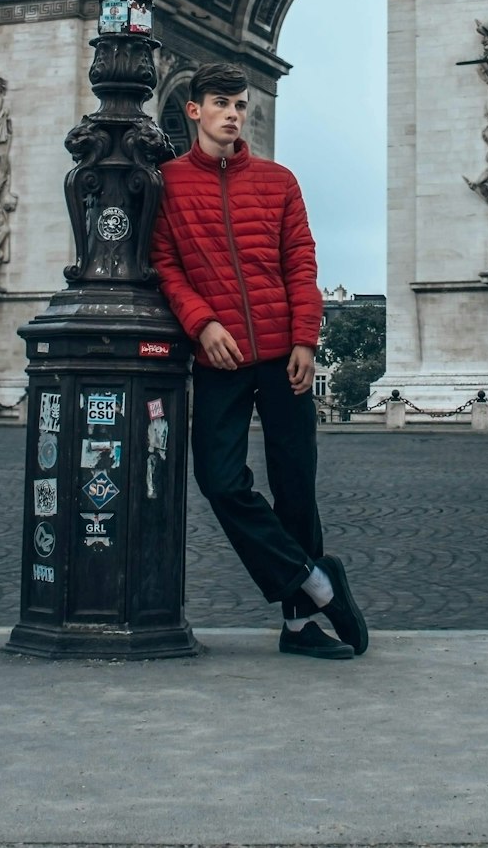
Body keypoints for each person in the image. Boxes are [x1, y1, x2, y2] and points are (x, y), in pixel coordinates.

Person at [150, 61, 368, 661]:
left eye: (241, 104)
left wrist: (305, 339)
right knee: (219, 482)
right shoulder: (165, 184)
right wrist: (202, 323)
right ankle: (318, 582)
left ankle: (300, 628)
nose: (233, 114)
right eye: (221, 103)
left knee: (297, 488)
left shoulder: (279, 181)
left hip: (283, 357)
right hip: (219, 355)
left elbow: (301, 262)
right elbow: (165, 265)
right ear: (193, 109)